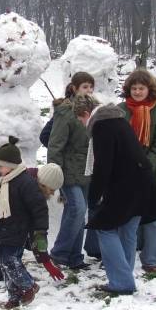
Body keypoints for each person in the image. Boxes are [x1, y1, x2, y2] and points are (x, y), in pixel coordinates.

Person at [86, 104, 156, 295]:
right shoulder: (122, 124)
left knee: (104, 229)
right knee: (128, 230)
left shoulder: (102, 127)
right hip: (142, 183)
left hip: (124, 186)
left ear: (90, 116)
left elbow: (103, 165)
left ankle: (122, 281)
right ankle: (125, 276)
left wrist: (94, 196)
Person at [0, 137, 64, 308]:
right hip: (4, 229)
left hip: (16, 231)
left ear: (12, 166)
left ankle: (29, 285)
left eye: (1, 166)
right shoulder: (2, 181)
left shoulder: (25, 183)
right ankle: (14, 296)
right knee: (6, 266)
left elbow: (39, 212)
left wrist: (40, 238)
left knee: (10, 262)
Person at [0, 163, 64, 288]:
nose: (52, 194)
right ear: (43, 184)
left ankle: (4, 273)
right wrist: (45, 261)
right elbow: (35, 228)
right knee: (11, 237)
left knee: (15, 234)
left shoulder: (33, 179)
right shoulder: (26, 188)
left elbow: (33, 227)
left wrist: (42, 255)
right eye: (51, 190)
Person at [117, 69, 156, 273]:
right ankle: (125, 256)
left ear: (149, 89)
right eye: (134, 88)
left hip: (150, 170)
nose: (138, 92)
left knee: (152, 217)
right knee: (127, 216)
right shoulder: (121, 109)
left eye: (141, 88)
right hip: (125, 169)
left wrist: (145, 164)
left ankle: (151, 258)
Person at [47, 91, 99, 270]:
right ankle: (59, 253)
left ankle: (75, 257)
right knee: (77, 209)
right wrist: (55, 173)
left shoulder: (94, 113)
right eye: (84, 86)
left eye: (91, 86)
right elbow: (55, 145)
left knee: (78, 212)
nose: (88, 89)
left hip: (85, 171)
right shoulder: (66, 114)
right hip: (67, 172)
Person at [39, 72, 95, 147]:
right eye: (85, 87)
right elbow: (45, 136)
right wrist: (67, 150)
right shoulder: (66, 109)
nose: (90, 90)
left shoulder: (94, 107)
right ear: (75, 89)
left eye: (91, 87)